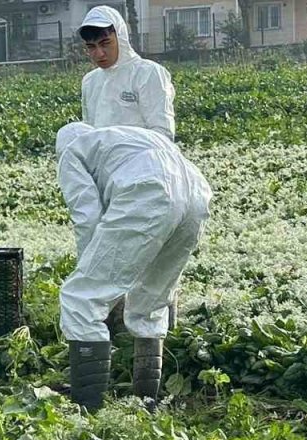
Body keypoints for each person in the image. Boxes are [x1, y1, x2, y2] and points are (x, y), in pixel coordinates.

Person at [55, 122, 212, 411]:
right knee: (150, 302)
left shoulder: (72, 151)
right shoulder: (121, 140)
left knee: (80, 299)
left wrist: (95, 278)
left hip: (149, 187)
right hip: (196, 192)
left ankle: (88, 413)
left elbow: (87, 217)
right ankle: (146, 404)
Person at [79, 5, 176, 140]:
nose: (99, 54)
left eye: (105, 43)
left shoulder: (148, 74)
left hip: (142, 158)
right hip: (103, 159)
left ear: (120, 37)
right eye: (91, 47)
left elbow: (163, 133)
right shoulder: (90, 81)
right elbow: (89, 132)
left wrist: (123, 149)